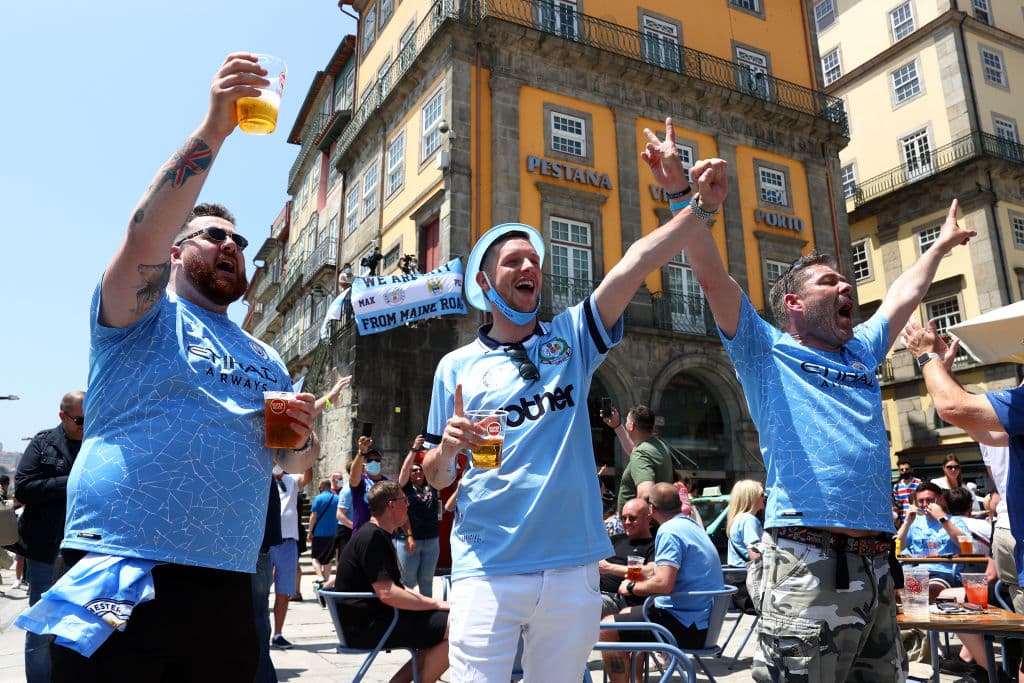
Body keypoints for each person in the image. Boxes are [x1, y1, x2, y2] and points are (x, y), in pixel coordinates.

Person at [19, 55, 321, 683]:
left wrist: (305, 439)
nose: (232, 246)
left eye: (238, 242)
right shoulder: (140, 313)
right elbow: (141, 237)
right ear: (178, 251)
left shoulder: (266, 356)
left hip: (230, 581)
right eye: (214, 235)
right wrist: (214, 130)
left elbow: (285, 464)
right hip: (121, 566)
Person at [643, 117, 975, 682]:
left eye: (845, 282)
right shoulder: (764, 349)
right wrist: (681, 192)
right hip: (805, 565)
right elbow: (708, 270)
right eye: (829, 283)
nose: (846, 287)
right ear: (793, 306)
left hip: (875, 568)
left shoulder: (861, 351)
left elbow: (901, 292)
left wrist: (939, 248)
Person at [421, 120, 729, 682]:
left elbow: (635, 261)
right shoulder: (455, 368)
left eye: (533, 260)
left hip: (572, 569)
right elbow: (438, 477)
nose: (529, 267)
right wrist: (446, 449)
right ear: (486, 286)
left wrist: (690, 203)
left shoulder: (571, 337)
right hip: (488, 568)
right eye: (512, 262)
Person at [599, 483, 723, 683]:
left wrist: (631, 587)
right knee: (624, 615)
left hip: (687, 627)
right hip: (702, 621)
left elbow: (664, 584)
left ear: (651, 509)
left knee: (606, 628)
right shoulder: (691, 526)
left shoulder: (669, 531)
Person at [334, 480, 450, 683]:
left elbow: (395, 587)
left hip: (373, 620)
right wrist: (435, 603)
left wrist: (429, 604)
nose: (408, 504)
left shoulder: (376, 534)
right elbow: (388, 594)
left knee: (443, 623)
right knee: (458, 626)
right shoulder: (373, 538)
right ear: (391, 505)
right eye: (404, 500)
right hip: (369, 626)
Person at [15, 390, 85, 683]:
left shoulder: (98, 442)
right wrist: (73, 481)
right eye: (80, 420)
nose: (85, 426)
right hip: (47, 550)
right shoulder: (44, 443)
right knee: (42, 629)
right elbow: (23, 488)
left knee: (86, 627)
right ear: (63, 417)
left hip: (86, 550)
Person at [895, 483, 969, 595]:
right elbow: (897, 547)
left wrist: (941, 518)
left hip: (944, 572)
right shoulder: (915, 522)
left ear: (941, 500)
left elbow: (967, 547)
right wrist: (907, 522)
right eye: (921, 501)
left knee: (927, 589)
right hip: (918, 572)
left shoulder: (955, 521)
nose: (925, 504)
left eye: (929, 500)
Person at [270, 463, 312, 649]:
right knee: (261, 592)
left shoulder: (291, 479)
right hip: (267, 542)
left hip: (288, 543)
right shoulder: (263, 480)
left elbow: (307, 478)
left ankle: (278, 634)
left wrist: (307, 459)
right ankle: (260, 630)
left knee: (284, 592)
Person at [396, 435, 441, 597]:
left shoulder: (433, 485)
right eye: (414, 470)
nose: (417, 472)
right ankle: (407, 614)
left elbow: (437, 466)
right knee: (407, 581)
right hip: (409, 540)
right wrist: (414, 449)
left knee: (427, 580)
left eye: (420, 469)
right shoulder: (405, 487)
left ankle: (427, 615)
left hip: (431, 539)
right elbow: (403, 470)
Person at [598, 497, 656, 617]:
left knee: (580, 606)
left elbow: (651, 572)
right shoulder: (615, 540)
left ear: (648, 518)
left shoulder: (653, 545)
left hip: (616, 599)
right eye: (623, 518)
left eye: (632, 518)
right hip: (591, 590)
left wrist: (609, 567)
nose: (627, 522)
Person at [613, 406, 675, 513]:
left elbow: (645, 494)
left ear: (631, 426)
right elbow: (634, 451)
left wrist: (632, 519)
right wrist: (617, 426)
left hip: (638, 527)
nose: (626, 424)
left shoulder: (641, 453)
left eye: (626, 421)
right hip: (656, 522)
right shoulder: (658, 446)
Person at [348, 436, 389, 531]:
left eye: (377, 460)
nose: (373, 462)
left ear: (381, 463)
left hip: (385, 533)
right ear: (364, 463)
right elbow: (353, 475)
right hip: (362, 533)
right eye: (369, 460)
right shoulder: (360, 481)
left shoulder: (388, 482)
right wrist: (361, 452)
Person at [726, 480, 764, 568]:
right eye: (762, 494)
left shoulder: (738, 518)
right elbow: (755, 554)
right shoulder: (749, 520)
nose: (765, 497)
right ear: (752, 498)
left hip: (737, 575)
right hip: (746, 575)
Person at [307, 478, 340, 584]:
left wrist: (310, 531)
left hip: (319, 533)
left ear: (321, 487)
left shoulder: (318, 498)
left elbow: (313, 516)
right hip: (333, 533)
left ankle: (320, 577)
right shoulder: (337, 498)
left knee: (315, 557)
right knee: (328, 558)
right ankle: (325, 581)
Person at [893, 458, 922, 524]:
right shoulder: (896, 486)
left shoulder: (919, 483)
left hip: (918, 520)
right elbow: (898, 504)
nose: (904, 471)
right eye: (902, 470)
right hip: (904, 521)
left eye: (907, 469)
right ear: (899, 471)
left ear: (911, 470)